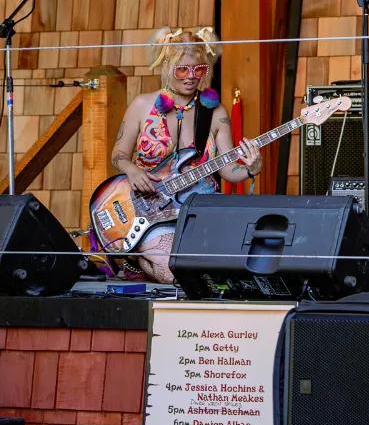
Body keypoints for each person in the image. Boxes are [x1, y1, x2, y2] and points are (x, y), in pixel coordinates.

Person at [108, 27, 260, 283]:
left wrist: (251, 168)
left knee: (228, 267)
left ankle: (141, 257)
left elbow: (228, 170)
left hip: (198, 210)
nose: (191, 77)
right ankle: (138, 257)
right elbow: (118, 155)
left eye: (198, 70)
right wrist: (132, 170)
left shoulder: (216, 113)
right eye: (182, 69)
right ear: (167, 67)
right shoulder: (142, 105)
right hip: (149, 211)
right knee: (177, 274)